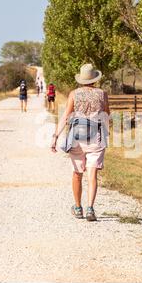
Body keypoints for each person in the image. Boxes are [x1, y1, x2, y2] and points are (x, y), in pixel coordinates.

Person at [51, 64, 110, 222]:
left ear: (82, 79)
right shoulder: (102, 94)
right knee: (92, 175)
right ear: (94, 79)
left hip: (77, 138)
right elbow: (106, 116)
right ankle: (90, 208)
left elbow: (65, 116)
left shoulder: (74, 94)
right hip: (96, 138)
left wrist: (55, 136)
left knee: (77, 174)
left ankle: (78, 208)